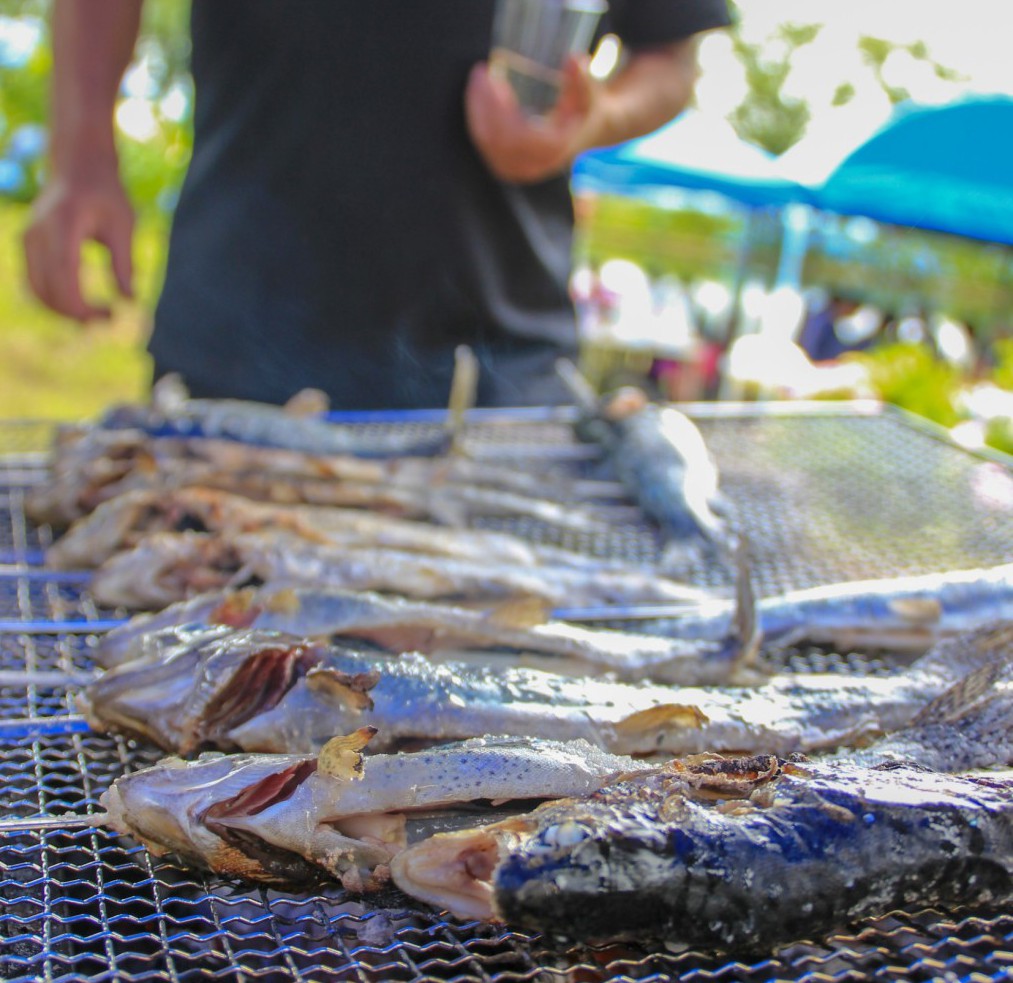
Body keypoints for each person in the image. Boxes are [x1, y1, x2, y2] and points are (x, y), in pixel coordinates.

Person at [23, 0, 731, 409]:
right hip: (235, 331)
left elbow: (670, 58)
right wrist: (80, 157)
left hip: (494, 363)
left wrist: (591, 121)